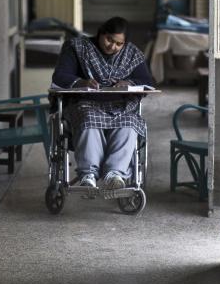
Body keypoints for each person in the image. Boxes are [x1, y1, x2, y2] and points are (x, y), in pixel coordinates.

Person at [51, 16, 155, 190]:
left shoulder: (132, 54)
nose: (112, 46)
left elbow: (147, 81)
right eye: (109, 39)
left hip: (119, 106)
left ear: (124, 44)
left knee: (130, 122)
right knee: (89, 118)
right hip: (85, 103)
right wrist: (80, 82)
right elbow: (60, 76)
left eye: (118, 44)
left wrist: (129, 83)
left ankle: (115, 174)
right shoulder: (77, 48)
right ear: (101, 33)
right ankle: (88, 174)